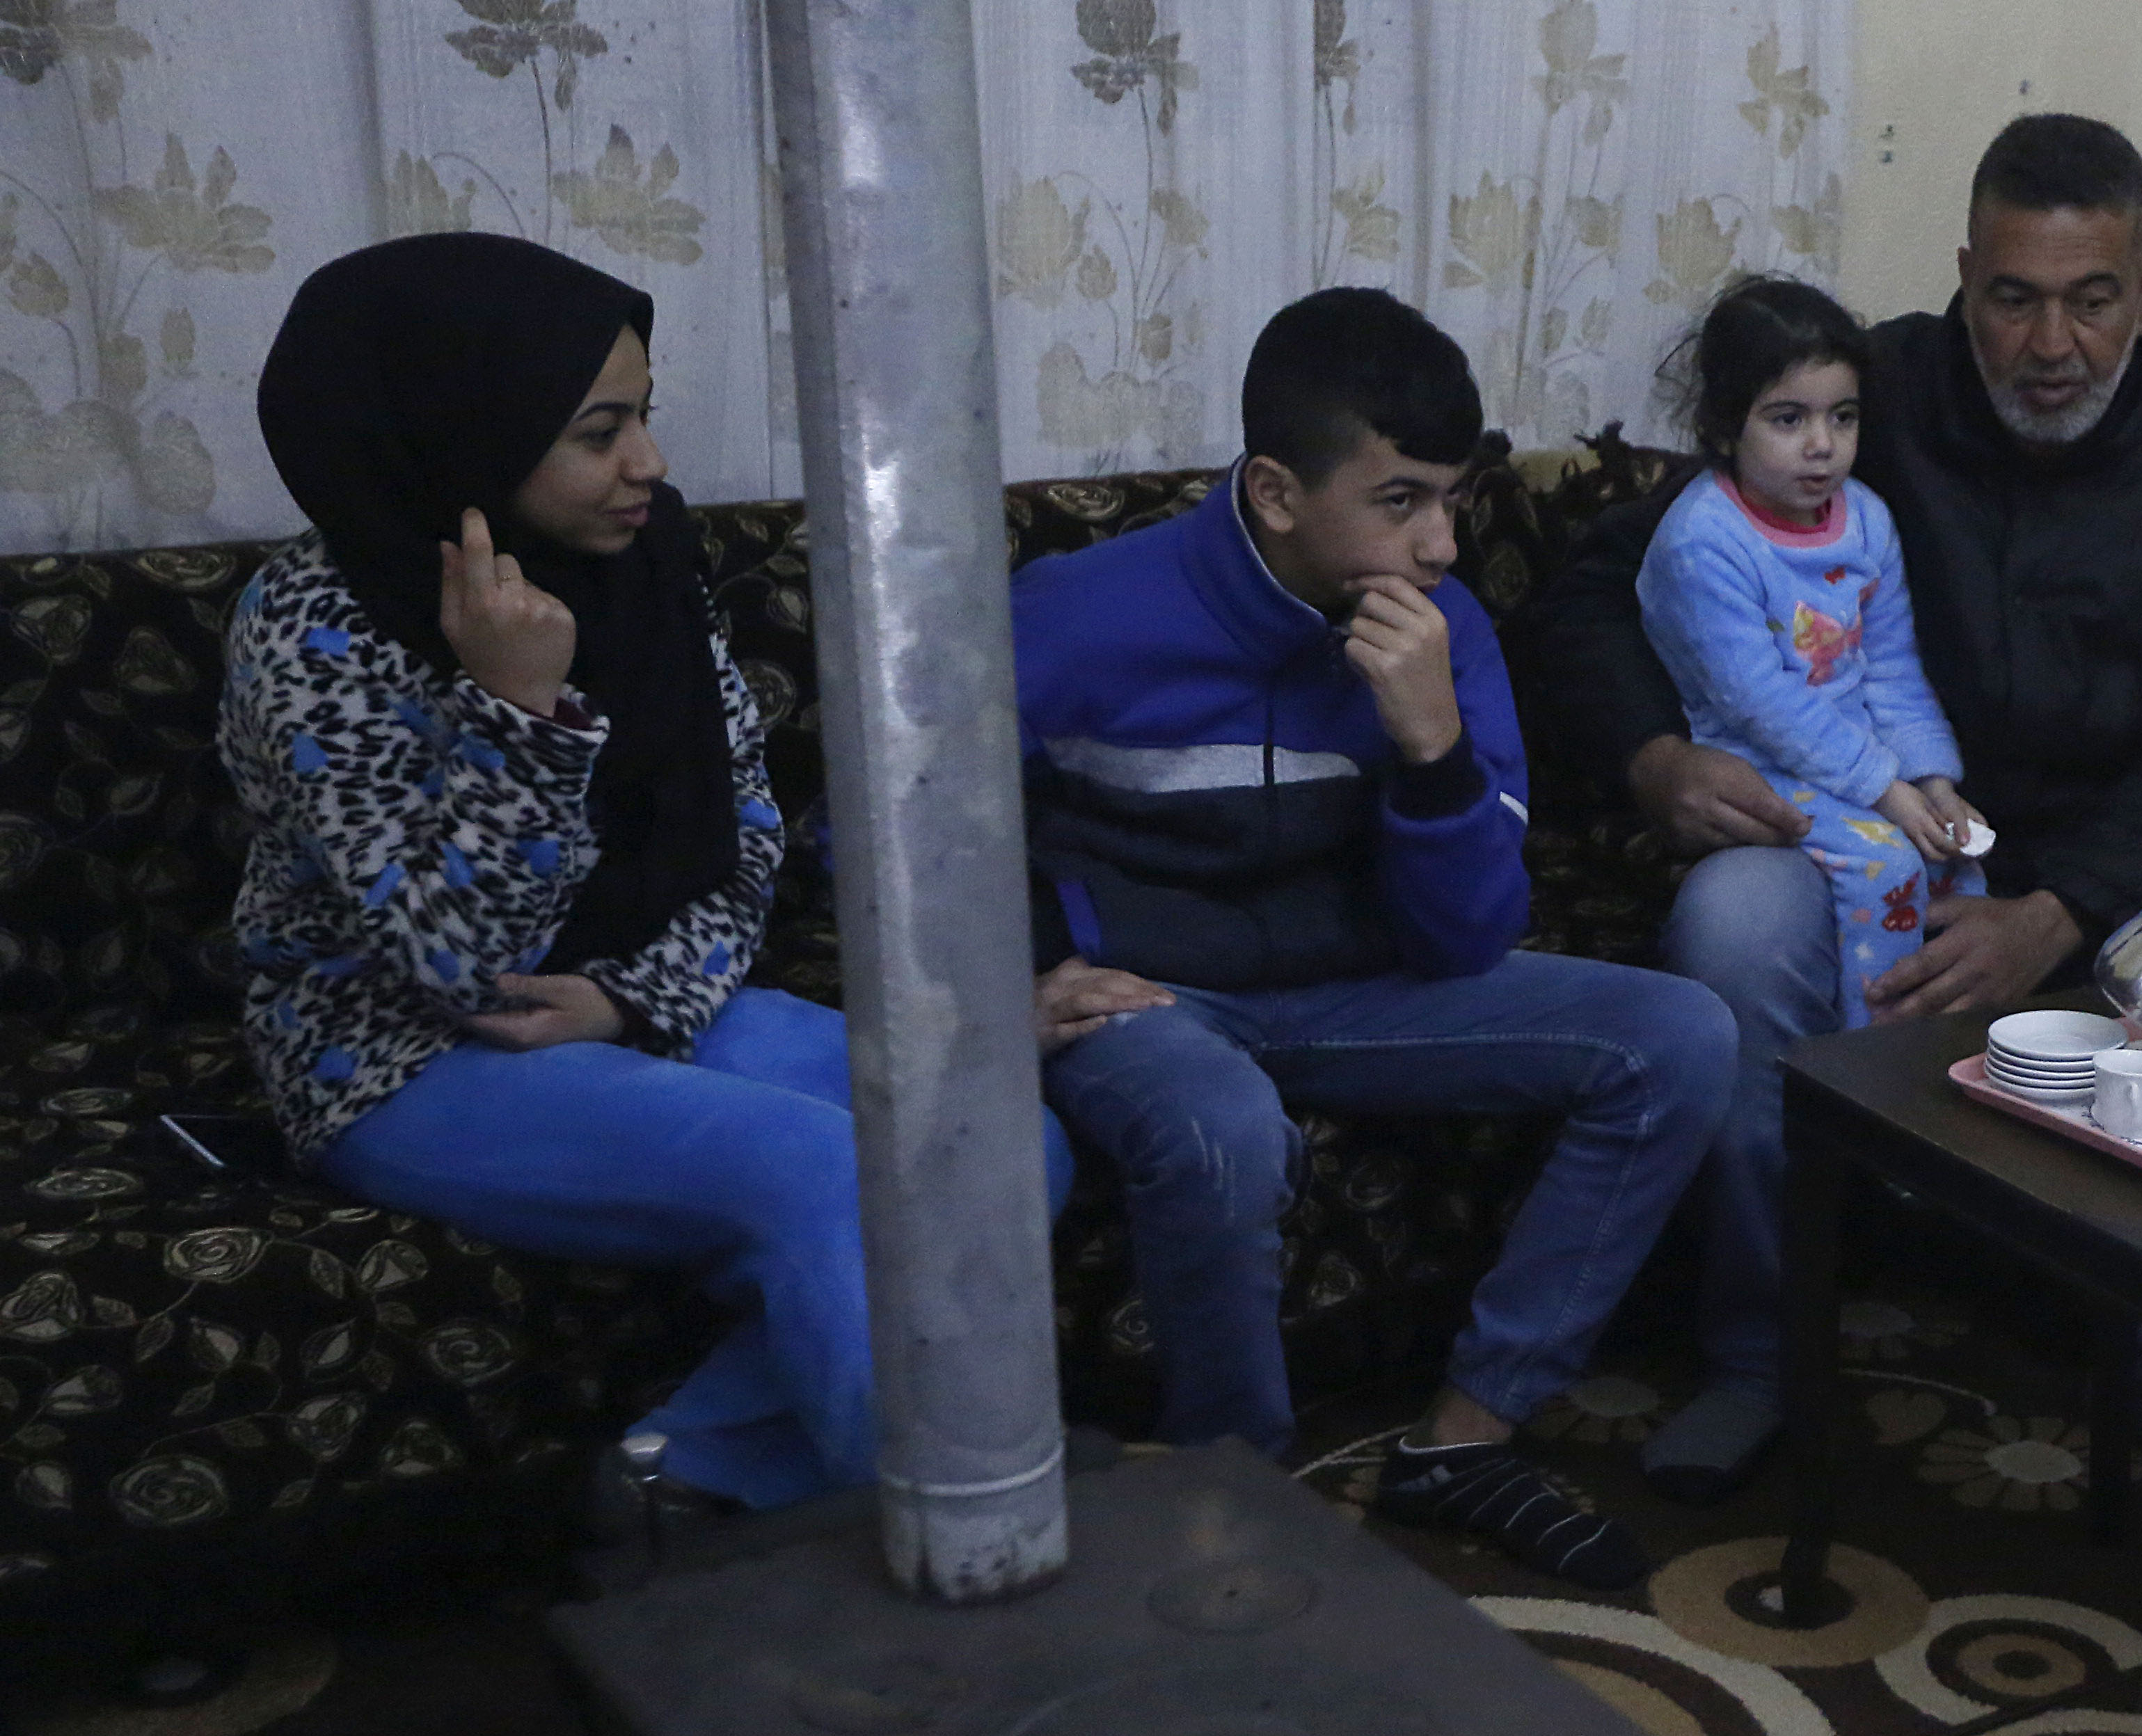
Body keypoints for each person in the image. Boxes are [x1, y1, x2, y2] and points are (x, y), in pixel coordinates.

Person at [1532, 114, 2142, 1501]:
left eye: (2090, 300)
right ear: (1960, 281)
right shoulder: (1856, 401)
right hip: (1871, 850)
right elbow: (1601, 583)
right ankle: (1762, 1347)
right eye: (2011, 298)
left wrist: (2056, 913)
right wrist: (1652, 759)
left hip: (2114, 882)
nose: (2050, 344)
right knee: (1730, 917)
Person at [225, 232, 1075, 1522]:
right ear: (466, 430)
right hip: (398, 1054)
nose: (650, 464)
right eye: (598, 433)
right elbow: (455, 958)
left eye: (645, 416)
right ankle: (961, 1543)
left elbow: (743, 832)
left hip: (631, 995)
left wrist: (633, 999)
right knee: (834, 1175)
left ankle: (689, 1470)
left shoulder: (646, 568)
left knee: (998, 1142)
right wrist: (521, 710)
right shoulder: (314, 624)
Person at [1015, 287, 1736, 1589]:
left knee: (1679, 1034)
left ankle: (1466, 1438)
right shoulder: (1074, 611)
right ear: (1277, 493)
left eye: (1452, 500)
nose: (1442, 544)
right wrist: (1020, 973)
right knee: (1220, 1128)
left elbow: (1471, 935)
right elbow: (894, 824)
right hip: (1153, 996)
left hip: (1363, 987)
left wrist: (1431, 746)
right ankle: (1236, 1487)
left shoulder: (1444, 636)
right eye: (1400, 501)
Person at [1639, 277, 1981, 1029]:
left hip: (1854, 761)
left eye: (1842, 417)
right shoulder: (1703, 542)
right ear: (1724, 426)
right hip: (1756, 763)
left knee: (1959, 859)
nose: (1822, 445)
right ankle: (1869, 1060)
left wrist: (1932, 780)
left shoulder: (1866, 518)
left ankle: (1947, 1059)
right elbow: (1762, 704)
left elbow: (1891, 667)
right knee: (1889, 864)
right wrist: (1886, 791)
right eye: (1788, 419)